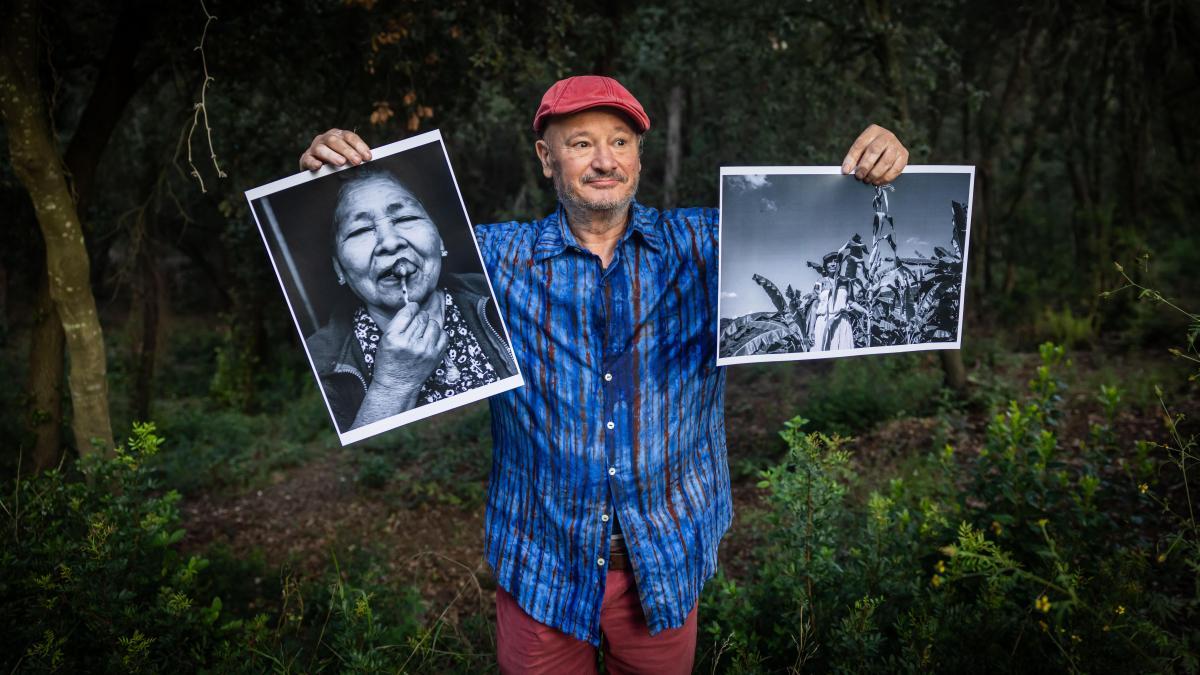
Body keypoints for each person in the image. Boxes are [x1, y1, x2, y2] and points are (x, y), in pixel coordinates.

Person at [299, 75, 908, 674]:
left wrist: (874, 172)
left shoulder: (704, 244)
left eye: (619, 141)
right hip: (542, 569)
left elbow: (824, 236)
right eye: (580, 142)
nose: (603, 159)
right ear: (547, 158)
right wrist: (338, 166)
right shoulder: (494, 261)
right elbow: (391, 264)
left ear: (638, 156)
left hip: (663, 564)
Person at [304, 167, 517, 432]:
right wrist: (394, 384)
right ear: (339, 269)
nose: (390, 243)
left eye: (405, 217)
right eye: (360, 231)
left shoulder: (506, 294)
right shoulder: (319, 361)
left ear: (438, 240)